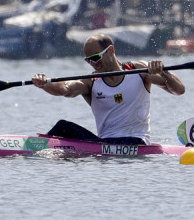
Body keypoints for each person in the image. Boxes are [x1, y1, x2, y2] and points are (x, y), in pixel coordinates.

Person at [31, 34, 185, 145]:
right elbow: (65, 88)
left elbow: (179, 90)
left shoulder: (138, 70)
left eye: (96, 57)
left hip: (136, 141)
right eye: (88, 60)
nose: (93, 64)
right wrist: (45, 84)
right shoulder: (91, 82)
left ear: (110, 50)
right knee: (63, 127)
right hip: (105, 143)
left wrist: (164, 71)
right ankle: (35, 148)